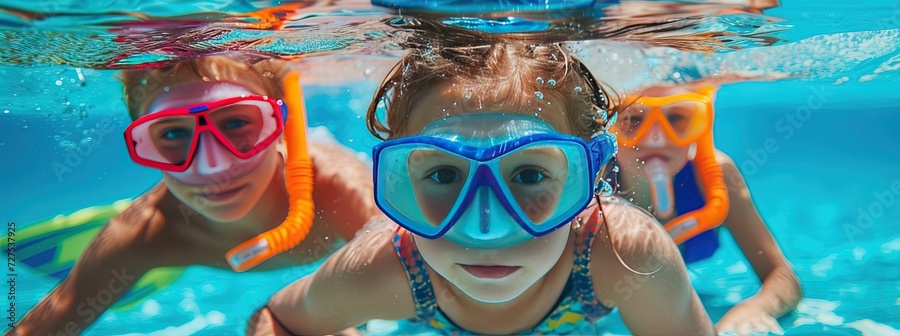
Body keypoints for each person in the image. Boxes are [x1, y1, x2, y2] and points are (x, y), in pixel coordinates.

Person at [247, 36, 714, 335]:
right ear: (399, 181)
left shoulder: (625, 255)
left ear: (590, 178)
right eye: (444, 175)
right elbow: (275, 320)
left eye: (529, 175)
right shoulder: (386, 269)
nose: (484, 228)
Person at [11, 55, 379, 335]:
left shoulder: (337, 188)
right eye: (172, 134)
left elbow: (409, 276)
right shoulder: (149, 233)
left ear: (282, 126)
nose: (213, 168)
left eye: (236, 123)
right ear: (144, 143)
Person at [611, 82, 802, 335]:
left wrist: (755, 310)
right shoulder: (591, 185)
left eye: (676, 117)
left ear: (702, 125)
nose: (655, 138)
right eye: (634, 119)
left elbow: (783, 277)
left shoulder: (715, 179)